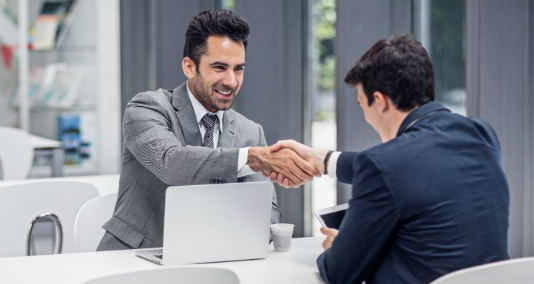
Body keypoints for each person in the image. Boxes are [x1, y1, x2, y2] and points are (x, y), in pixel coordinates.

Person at [270, 34, 509, 283]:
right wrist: (326, 160)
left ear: (380, 102)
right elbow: (418, 166)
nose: (365, 115)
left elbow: (340, 273)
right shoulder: (482, 134)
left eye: (363, 105)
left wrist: (335, 248)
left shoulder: (384, 165)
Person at [97, 9, 318, 251]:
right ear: (189, 67)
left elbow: (268, 218)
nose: (231, 81)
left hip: (211, 258)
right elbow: (171, 163)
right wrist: (253, 158)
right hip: (135, 256)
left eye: (238, 69)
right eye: (219, 67)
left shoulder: (250, 132)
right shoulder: (147, 108)